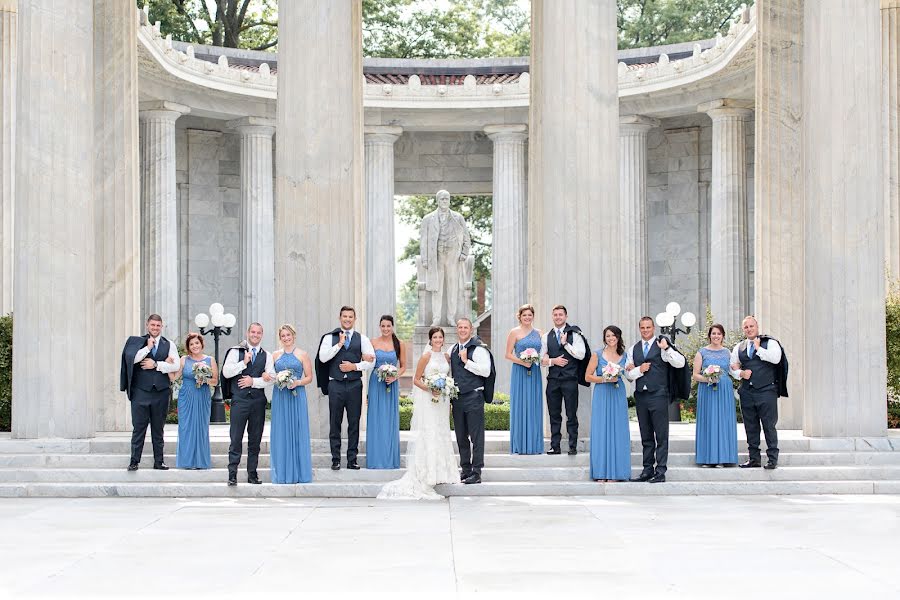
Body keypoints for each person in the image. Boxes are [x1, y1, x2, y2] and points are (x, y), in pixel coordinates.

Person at [377, 327, 459, 499]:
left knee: (442, 433)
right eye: (435, 337)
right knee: (430, 433)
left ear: (443, 340)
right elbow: (416, 379)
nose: (438, 339)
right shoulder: (426, 357)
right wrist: (430, 388)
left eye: (440, 337)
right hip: (429, 401)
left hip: (442, 402)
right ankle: (428, 475)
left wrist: (446, 390)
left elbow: (448, 378)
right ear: (430, 339)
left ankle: (443, 473)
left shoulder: (446, 357)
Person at [626, 316, 688, 483]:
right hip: (641, 396)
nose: (645, 330)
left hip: (658, 395)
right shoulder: (633, 349)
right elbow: (628, 375)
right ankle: (647, 470)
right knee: (645, 435)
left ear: (653, 328)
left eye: (648, 327)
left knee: (661, 435)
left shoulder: (662, 344)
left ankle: (660, 471)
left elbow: (680, 363)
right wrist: (640, 369)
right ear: (639, 329)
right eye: (642, 328)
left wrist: (667, 349)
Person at [315, 306, 375, 471]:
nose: (347, 319)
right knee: (335, 422)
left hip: (355, 385)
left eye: (350, 316)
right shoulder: (329, 338)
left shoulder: (362, 338)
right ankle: (335, 459)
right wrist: (339, 344)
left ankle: (352, 459)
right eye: (345, 316)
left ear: (355, 319)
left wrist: (354, 366)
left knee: (354, 423)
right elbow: (323, 357)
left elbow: (372, 362)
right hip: (335, 384)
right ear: (339, 318)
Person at [120, 314, 180, 471]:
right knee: (139, 428)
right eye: (152, 325)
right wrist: (148, 348)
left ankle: (159, 461)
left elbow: (176, 366)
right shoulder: (138, 342)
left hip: (161, 392)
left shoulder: (169, 344)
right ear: (147, 325)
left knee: (158, 429)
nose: (155, 328)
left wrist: (157, 364)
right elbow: (131, 360)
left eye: (158, 325)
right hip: (141, 392)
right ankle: (134, 461)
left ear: (162, 327)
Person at [222, 322, 274, 486]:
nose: (255, 335)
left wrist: (254, 381)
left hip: (258, 402)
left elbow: (271, 378)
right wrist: (243, 363)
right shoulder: (235, 352)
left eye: (258, 333)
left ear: (262, 335)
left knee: (255, 439)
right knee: (236, 438)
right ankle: (232, 474)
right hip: (240, 401)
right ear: (247, 333)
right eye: (253, 332)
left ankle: (252, 474)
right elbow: (226, 372)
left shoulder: (267, 355)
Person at [730, 315, 785, 470]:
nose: (749, 329)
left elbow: (776, 359)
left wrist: (758, 348)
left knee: (769, 426)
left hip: (767, 391)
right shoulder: (738, 347)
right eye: (746, 327)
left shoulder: (770, 342)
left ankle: (772, 459)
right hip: (747, 392)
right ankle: (754, 458)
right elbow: (732, 365)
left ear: (757, 326)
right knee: (751, 427)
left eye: (751, 326)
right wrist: (740, 373)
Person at [450, 317, 495, 485]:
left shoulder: (478, 349)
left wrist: (466, 362)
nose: (462, 330)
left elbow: (486, 371)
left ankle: (477, 472)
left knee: (476, 437)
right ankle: (466, 469)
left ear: (471, 330)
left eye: (465, 327)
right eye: (460, 327)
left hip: (474, 397)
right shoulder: (453, 349)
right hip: (457, 399)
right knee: (461, 436)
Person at [540, 305, 588, 455]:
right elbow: (541, 360)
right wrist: (553, 361)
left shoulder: (575, 334)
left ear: (566, 316)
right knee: (554, 414)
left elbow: (581, 354)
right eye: (555, 315)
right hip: (553, 380)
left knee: (571, 414)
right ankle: (555, 446)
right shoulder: (546, 336)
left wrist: (566, 344)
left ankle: (572, 446)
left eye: (561, 314)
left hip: (570, 380)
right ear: (552, 317)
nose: (558, 317)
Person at [585, 326, 631, 482]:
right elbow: (587, 377)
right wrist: (605, 378)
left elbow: (629, 376)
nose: (611, 338)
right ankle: (601, 472)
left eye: (614, 335)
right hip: (602, 394)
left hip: (618, 394)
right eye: (608, 336)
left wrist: (632, 369)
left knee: (618, 431)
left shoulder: (624, 356)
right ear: (604, 338)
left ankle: (617, 473)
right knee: (601, 431)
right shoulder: (597, 355)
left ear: (618, 337)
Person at [420, 189, 472, 326]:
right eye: (442, 199)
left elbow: (466, 237)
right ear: (437, 201)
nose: (445, 201)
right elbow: (423, 240)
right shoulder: (427, 219)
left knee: (452, 288)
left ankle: (451, 317)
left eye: (447, 199)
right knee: (436, 289)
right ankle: (436, 318)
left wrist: (464, 254)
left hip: (453, 257)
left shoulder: (458, 217)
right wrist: (425, 259)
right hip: (436, 257)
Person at [270, 324, 313, 484]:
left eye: (288, 335)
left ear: (293, 336)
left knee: (297, 430)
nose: (286, 338)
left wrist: (298, 382)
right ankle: (282, 471)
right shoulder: (274, 355)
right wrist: (274, 378)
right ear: (280, 338)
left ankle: (299, 471)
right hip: (281, 396)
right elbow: (271, 375)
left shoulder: (302, 354)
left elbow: (309, 377)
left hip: (297, 395)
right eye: (283, 336)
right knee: (281, 431)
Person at [692, 324, 739, 467]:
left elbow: (733, 371)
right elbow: (695, 375)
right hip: (707, 390)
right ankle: (708, 458)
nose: (716, 336)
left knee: (724, 421)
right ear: (709, 335)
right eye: (713, 333)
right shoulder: (701, 352)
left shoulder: (728, 353)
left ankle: (725, 457)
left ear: (723, 336)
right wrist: (708, 379)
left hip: (724, 390)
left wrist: (739, 370)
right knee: (709, 421)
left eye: (719, 333)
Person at [366, 315, 406, 469]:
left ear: (392, 326)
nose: (386, 329)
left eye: (388, 326)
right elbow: (367, 362)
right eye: (383, 326)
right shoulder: (372, 342)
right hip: (376, 383)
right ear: (379, 326)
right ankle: (375, 459)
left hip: (391, 384)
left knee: (389, 420)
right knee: (375, 419)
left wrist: (395, 376)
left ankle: (390, 459)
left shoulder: (400, 344)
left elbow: (403, 366)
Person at [173, 332, 216, 470]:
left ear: (201, 344)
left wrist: (204, 379)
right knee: (185, 427)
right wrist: (167, 365)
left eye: (197, 343)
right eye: (191, 344)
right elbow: (174, 377)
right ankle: (187, 461)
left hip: (202, 395)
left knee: (201, 427)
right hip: (186, 395)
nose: (194, 346)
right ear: (188, 347)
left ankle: (200, 461)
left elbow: (215, 381)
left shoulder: (210, 360)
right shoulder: (184, 359)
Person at [505, 304, 543, 455]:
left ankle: (534, 445)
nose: (527, 317)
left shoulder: (540, 333)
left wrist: (536, 359)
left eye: (530, 315)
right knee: (520, 405)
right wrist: (523, 362)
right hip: (519, 371)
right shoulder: (514, 332)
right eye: (524, 315)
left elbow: (544, 353)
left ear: (533, 316)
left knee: (534, 405)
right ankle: (520, 444)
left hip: (534, 372)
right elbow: (507, 354)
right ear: (519, 316)